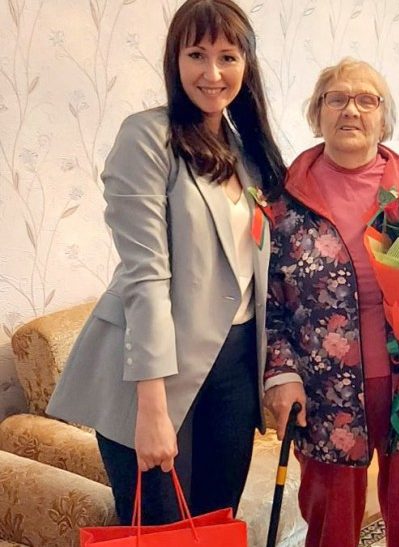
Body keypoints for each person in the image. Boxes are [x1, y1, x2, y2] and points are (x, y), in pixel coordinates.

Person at [47, 0, 285, 525]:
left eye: (227, 57)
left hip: (234, 369)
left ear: (246, 65)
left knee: (216, 522)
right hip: (154, 372)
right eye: (196, 54)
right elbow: (146, 276)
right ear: (174, 61)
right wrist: (152, 409)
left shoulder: (247, 151)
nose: (212, 73)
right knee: (160, 530)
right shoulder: (147, 137)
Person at [263, 58, 399, 547]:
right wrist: (281, 373)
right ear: (317, 113)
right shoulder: (285, 198)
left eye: (366, 100)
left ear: (384, 117)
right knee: (330, 527)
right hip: (323, 391)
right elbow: (269, 303)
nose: (351, 110)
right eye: (336, 98)